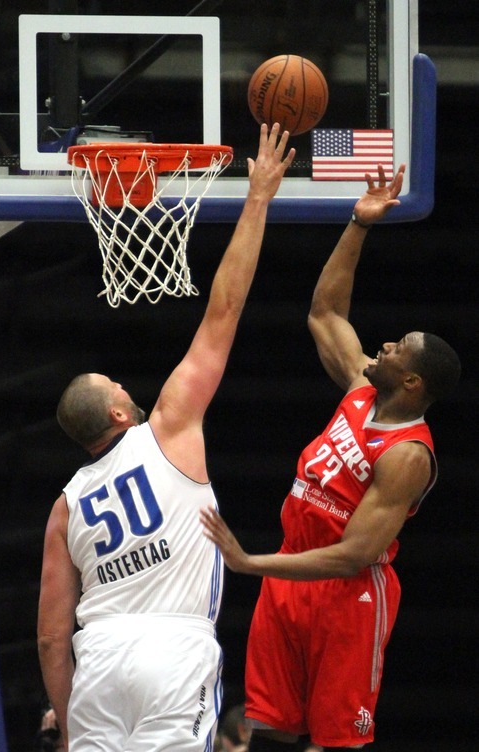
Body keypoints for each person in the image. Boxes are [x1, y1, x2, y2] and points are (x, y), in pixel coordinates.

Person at [37, 122, 296, 752]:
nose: (127, 386)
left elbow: (49, 636)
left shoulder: (65, 505)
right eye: (117, 385)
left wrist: (67, 719)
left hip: (97, 658)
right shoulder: (169, 427)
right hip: (173, 651)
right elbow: (223, 312)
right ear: (119, 415)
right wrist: (258, 195)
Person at [200, 163, 461, 752]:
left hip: (347, 596)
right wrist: (358, 225)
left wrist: (249, 562)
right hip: (290, 576)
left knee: (336, 741)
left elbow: (352, 556)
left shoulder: (408, 456)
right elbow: (325, 314)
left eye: (399, 348)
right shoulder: (360, 389)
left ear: (413, 382)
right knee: (264, 729)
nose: (386, 344)